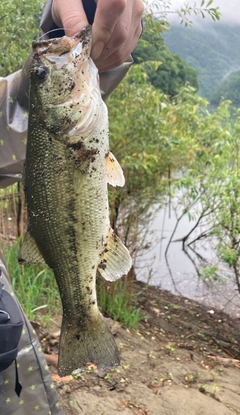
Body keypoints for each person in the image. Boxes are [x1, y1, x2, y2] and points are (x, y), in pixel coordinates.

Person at [0, 0, 144, 413]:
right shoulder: (67, 127)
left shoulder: (66, 125)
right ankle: (83, 317)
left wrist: (72, 21)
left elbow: (11, 120)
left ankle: (81, 319)